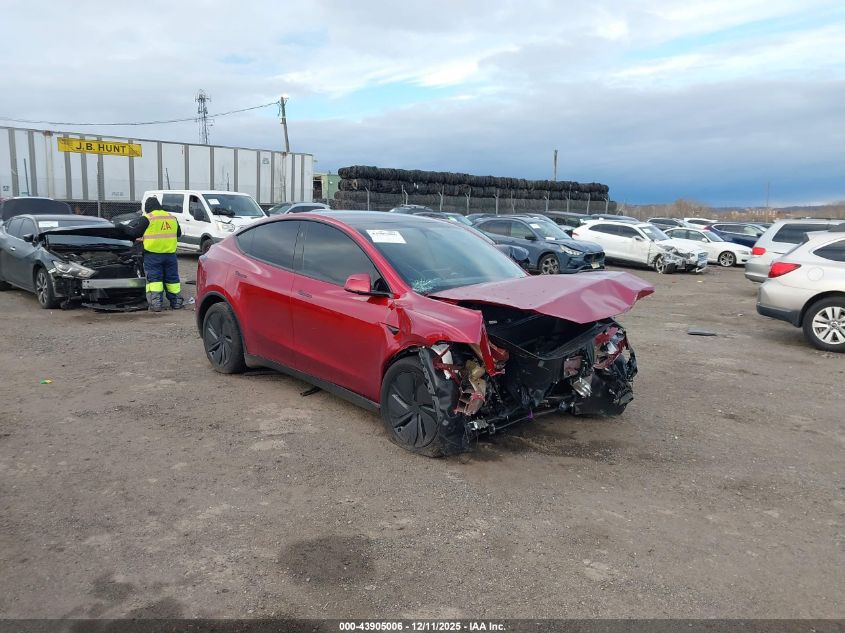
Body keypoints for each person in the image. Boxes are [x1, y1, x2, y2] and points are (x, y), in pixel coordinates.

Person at [120, 198, 184, 312]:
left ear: (147, 207)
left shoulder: (148, 218)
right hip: (170, 256)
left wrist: (121, 227)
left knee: (155, 280)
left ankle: (156, 305)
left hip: (153, 256)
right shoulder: (171, 217)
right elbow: (178, 233)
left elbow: (134, 233)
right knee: (172, 280)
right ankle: (177, 303)